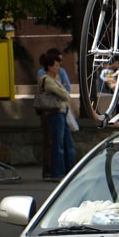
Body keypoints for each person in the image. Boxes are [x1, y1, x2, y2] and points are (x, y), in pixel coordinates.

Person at [35, 48, 72, 180]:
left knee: (61, 143)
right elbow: (64, 94)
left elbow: (66, 90)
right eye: (56, 65)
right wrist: (62, 87)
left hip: (59, 111)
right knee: (58, 144)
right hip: (55, 112)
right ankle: (58, 172)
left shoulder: (53, 78)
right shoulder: (47, 79)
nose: (58, 68)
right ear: (49, 66)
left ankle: (61, 171)